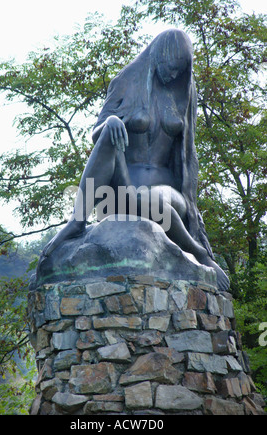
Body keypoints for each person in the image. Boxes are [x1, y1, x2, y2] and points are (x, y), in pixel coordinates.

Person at [44, 29, 230, 291]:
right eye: (170, 66)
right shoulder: (126, 82)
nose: (173, 74)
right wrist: (111, 121)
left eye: (179, 69)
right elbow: (97, 136)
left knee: (152, 201)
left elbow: (188, 154)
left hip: (168, 192)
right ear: (156, 56)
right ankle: (77, 221)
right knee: (109, 130)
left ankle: (198, 252)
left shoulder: (184, 93)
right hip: (123, 187)